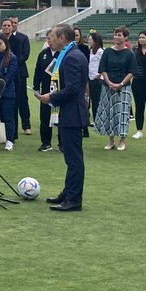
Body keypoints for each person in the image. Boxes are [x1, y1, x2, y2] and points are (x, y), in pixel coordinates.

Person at [36, 23, 89, 211]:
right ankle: (68, 192)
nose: (49, 39)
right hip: (70, 112)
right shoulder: (69, 54)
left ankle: (73, 199)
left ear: (62, 38)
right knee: (70, 158)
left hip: (72, 113)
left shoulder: (71, 57)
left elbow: (73, 88)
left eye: (51, 36)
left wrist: (51, 97)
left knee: (74, 159)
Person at [95, 27, 140, 151]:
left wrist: (120, 84)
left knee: (122, 113)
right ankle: (111, 140)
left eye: (120, 35)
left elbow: (132, 72)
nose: (117, 37)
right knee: (109, 113)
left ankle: (122, 140)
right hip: (107, 86)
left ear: (125, 37)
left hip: (123, 87)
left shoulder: (130, 53)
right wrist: (109, 82)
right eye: (115, 35)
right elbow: (103, 69)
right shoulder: (107, 52)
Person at [31, 35, 57, 152]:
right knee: (45, 117)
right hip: (45, 90)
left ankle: (62, 143)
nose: (50, 40)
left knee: (59, 117)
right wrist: (36, 88)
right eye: (48, 38)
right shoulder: (43, 54)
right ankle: (46, 143)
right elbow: (38, 72)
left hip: (59, 90)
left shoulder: (63, 53)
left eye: (52, 37)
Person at [8, 15, 32, 135]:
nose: (13, 25)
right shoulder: (2, 38)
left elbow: (26, 54)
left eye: (15, 23)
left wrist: (13, 63)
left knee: (22, 99)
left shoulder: (23, 38)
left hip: (20, 72)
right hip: (7, 73)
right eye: (10, 22)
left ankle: (26, 125)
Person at [87, 31, 105, 123]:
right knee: (91, 99)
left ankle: (98, 119)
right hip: (90, 78)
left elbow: (103, 64)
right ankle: (95, 119)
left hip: (97, 79)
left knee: (97, 100)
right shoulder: (90, 51)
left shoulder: (100, 51)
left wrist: (100, 74)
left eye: (90, 40)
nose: (89, 41)